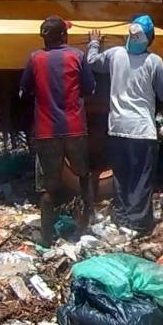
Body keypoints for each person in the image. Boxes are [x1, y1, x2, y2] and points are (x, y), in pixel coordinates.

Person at [88, 15, 163, 234]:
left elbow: (92, 62)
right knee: (141, 179)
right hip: (142, 131)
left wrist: (94, 43)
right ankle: (138, 223)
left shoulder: (115, 55)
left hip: (117, 128)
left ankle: (123, 218)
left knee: (122, 176)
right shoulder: (153, 61)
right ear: (150, 38)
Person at [20, 16, 96, 244]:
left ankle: (46, 237)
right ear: (64, 35)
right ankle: (85, 227)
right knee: (83, 176)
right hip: (74, 128)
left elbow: (24, 90)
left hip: (46, 131)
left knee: (47, 187)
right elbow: (90, 88)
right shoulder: (77, 56)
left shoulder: (35, 59)